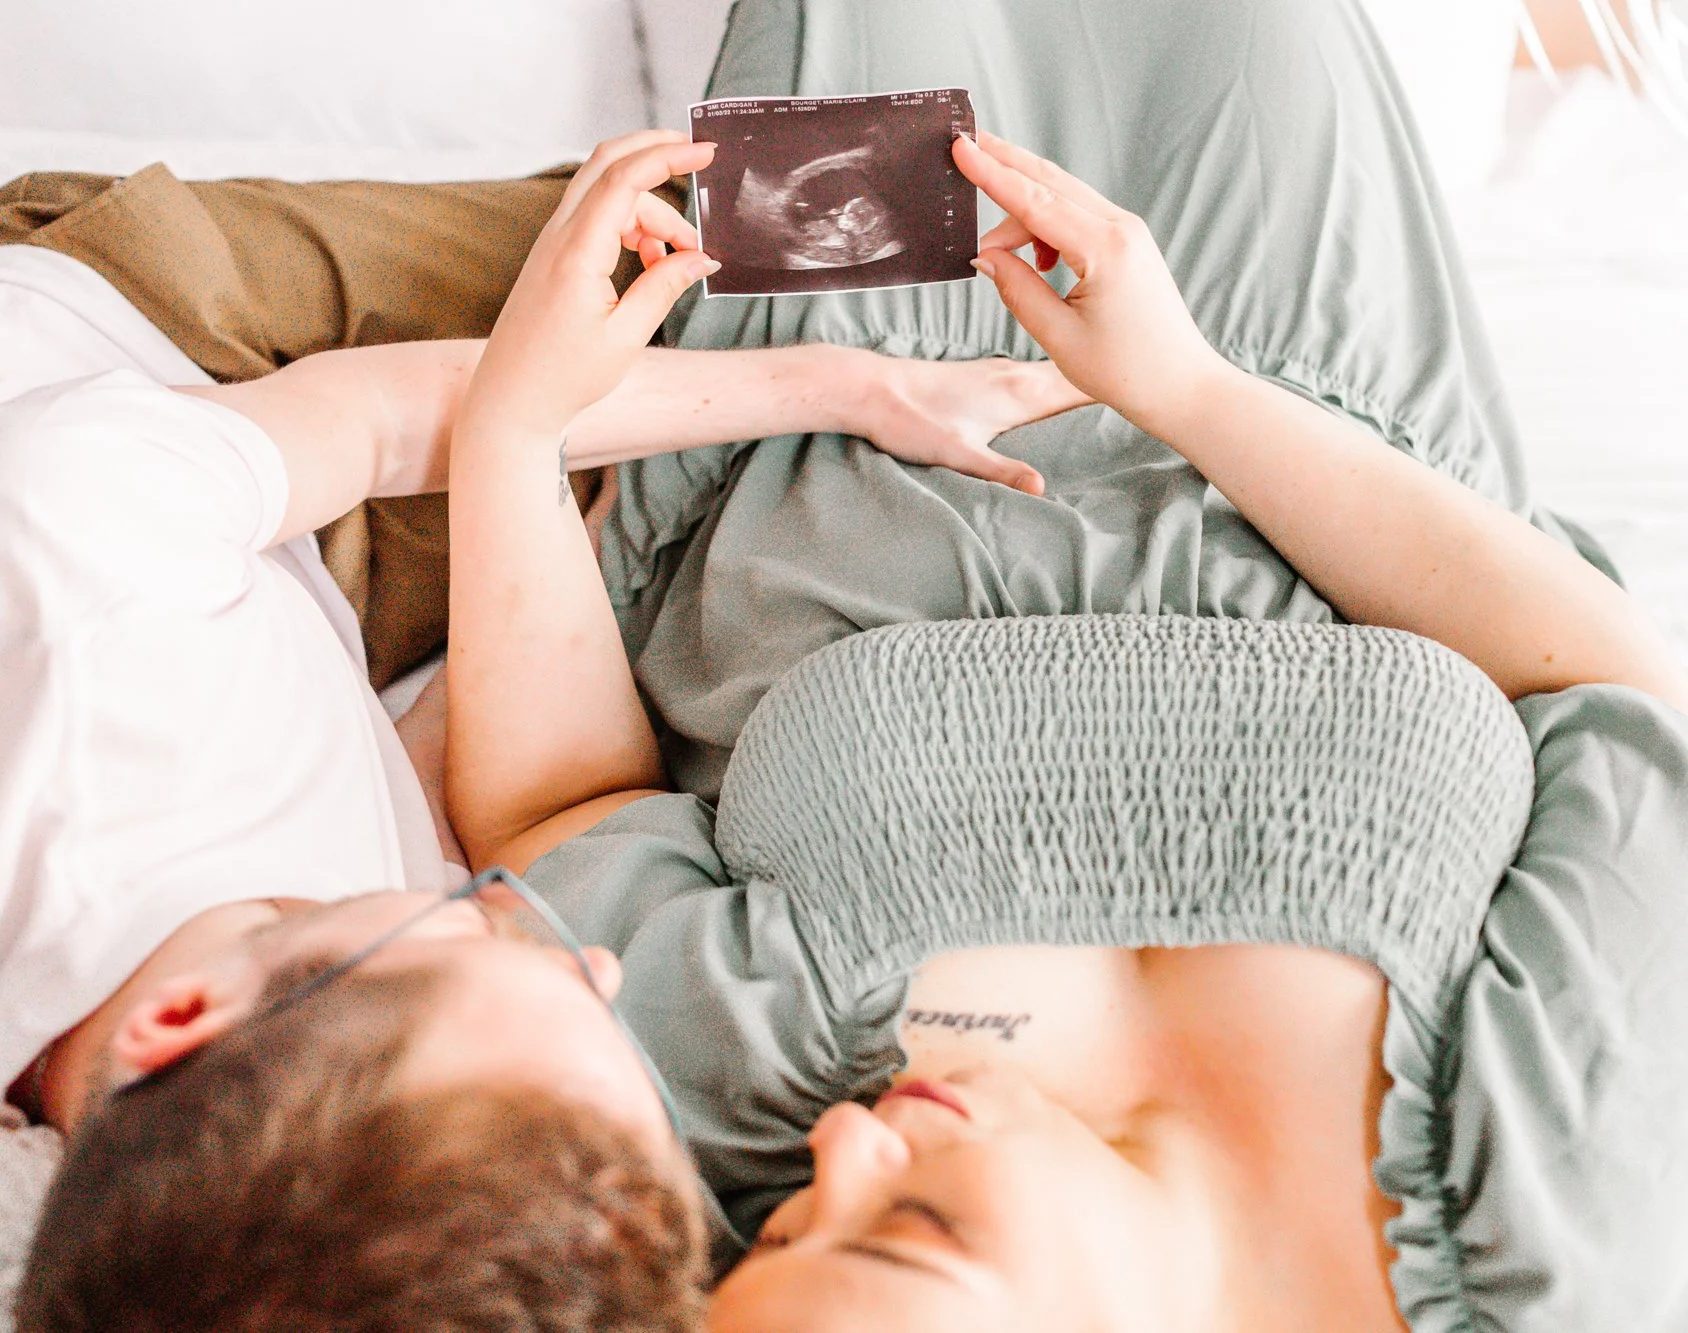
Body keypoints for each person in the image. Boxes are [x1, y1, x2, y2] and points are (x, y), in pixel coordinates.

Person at [0, 139, 1085, 1327]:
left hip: (156, 348)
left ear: (183, 1019)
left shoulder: (44, 568)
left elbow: (373, 424)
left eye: (486, 944)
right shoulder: (283, 1178)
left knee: (787, 213)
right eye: (595, 1001)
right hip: (291, 637)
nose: (589, 957)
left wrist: (850, 386)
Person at [443, 0, 1688, 1327]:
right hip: (1287, 361)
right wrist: (1191, 387)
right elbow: (1609, 687)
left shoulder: (754, 1136)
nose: (844, 1153)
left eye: (793, 1229)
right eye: (909, 1231)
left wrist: (509, 440)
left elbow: (555, 823)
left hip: (815, 372)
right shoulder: (1558, 1229)